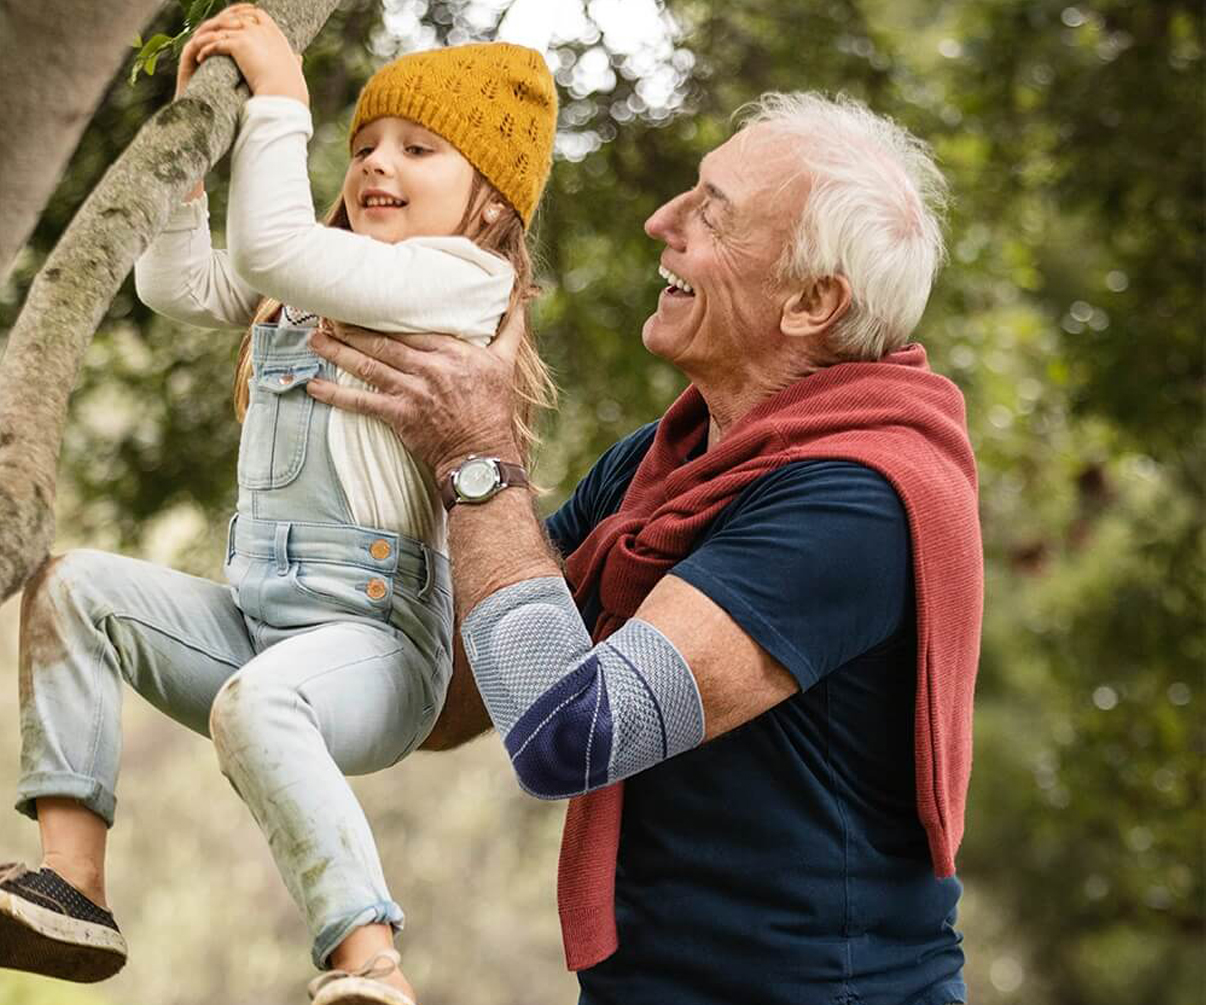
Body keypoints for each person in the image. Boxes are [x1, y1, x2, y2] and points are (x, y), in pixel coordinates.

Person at [307, 91, 983, 1005]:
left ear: (813, 301)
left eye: (713, 213)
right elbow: (459, 699)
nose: (660, 221)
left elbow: (570, 734)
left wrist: (474, 458)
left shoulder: (858, 499)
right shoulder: (664, 457)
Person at [0, 8, 556, 1005]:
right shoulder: (305, 283)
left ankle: (370, 960)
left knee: (259, 706)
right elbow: (179, 286)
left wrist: (281, 99)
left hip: (376, 646)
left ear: (488, 206)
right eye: (367, 144)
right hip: (259, 623)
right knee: (74, 589)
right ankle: (70, 885)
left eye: (419, 150)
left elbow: (272, 248)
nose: (378, 163)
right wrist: (188, 165)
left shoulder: (458, 282)